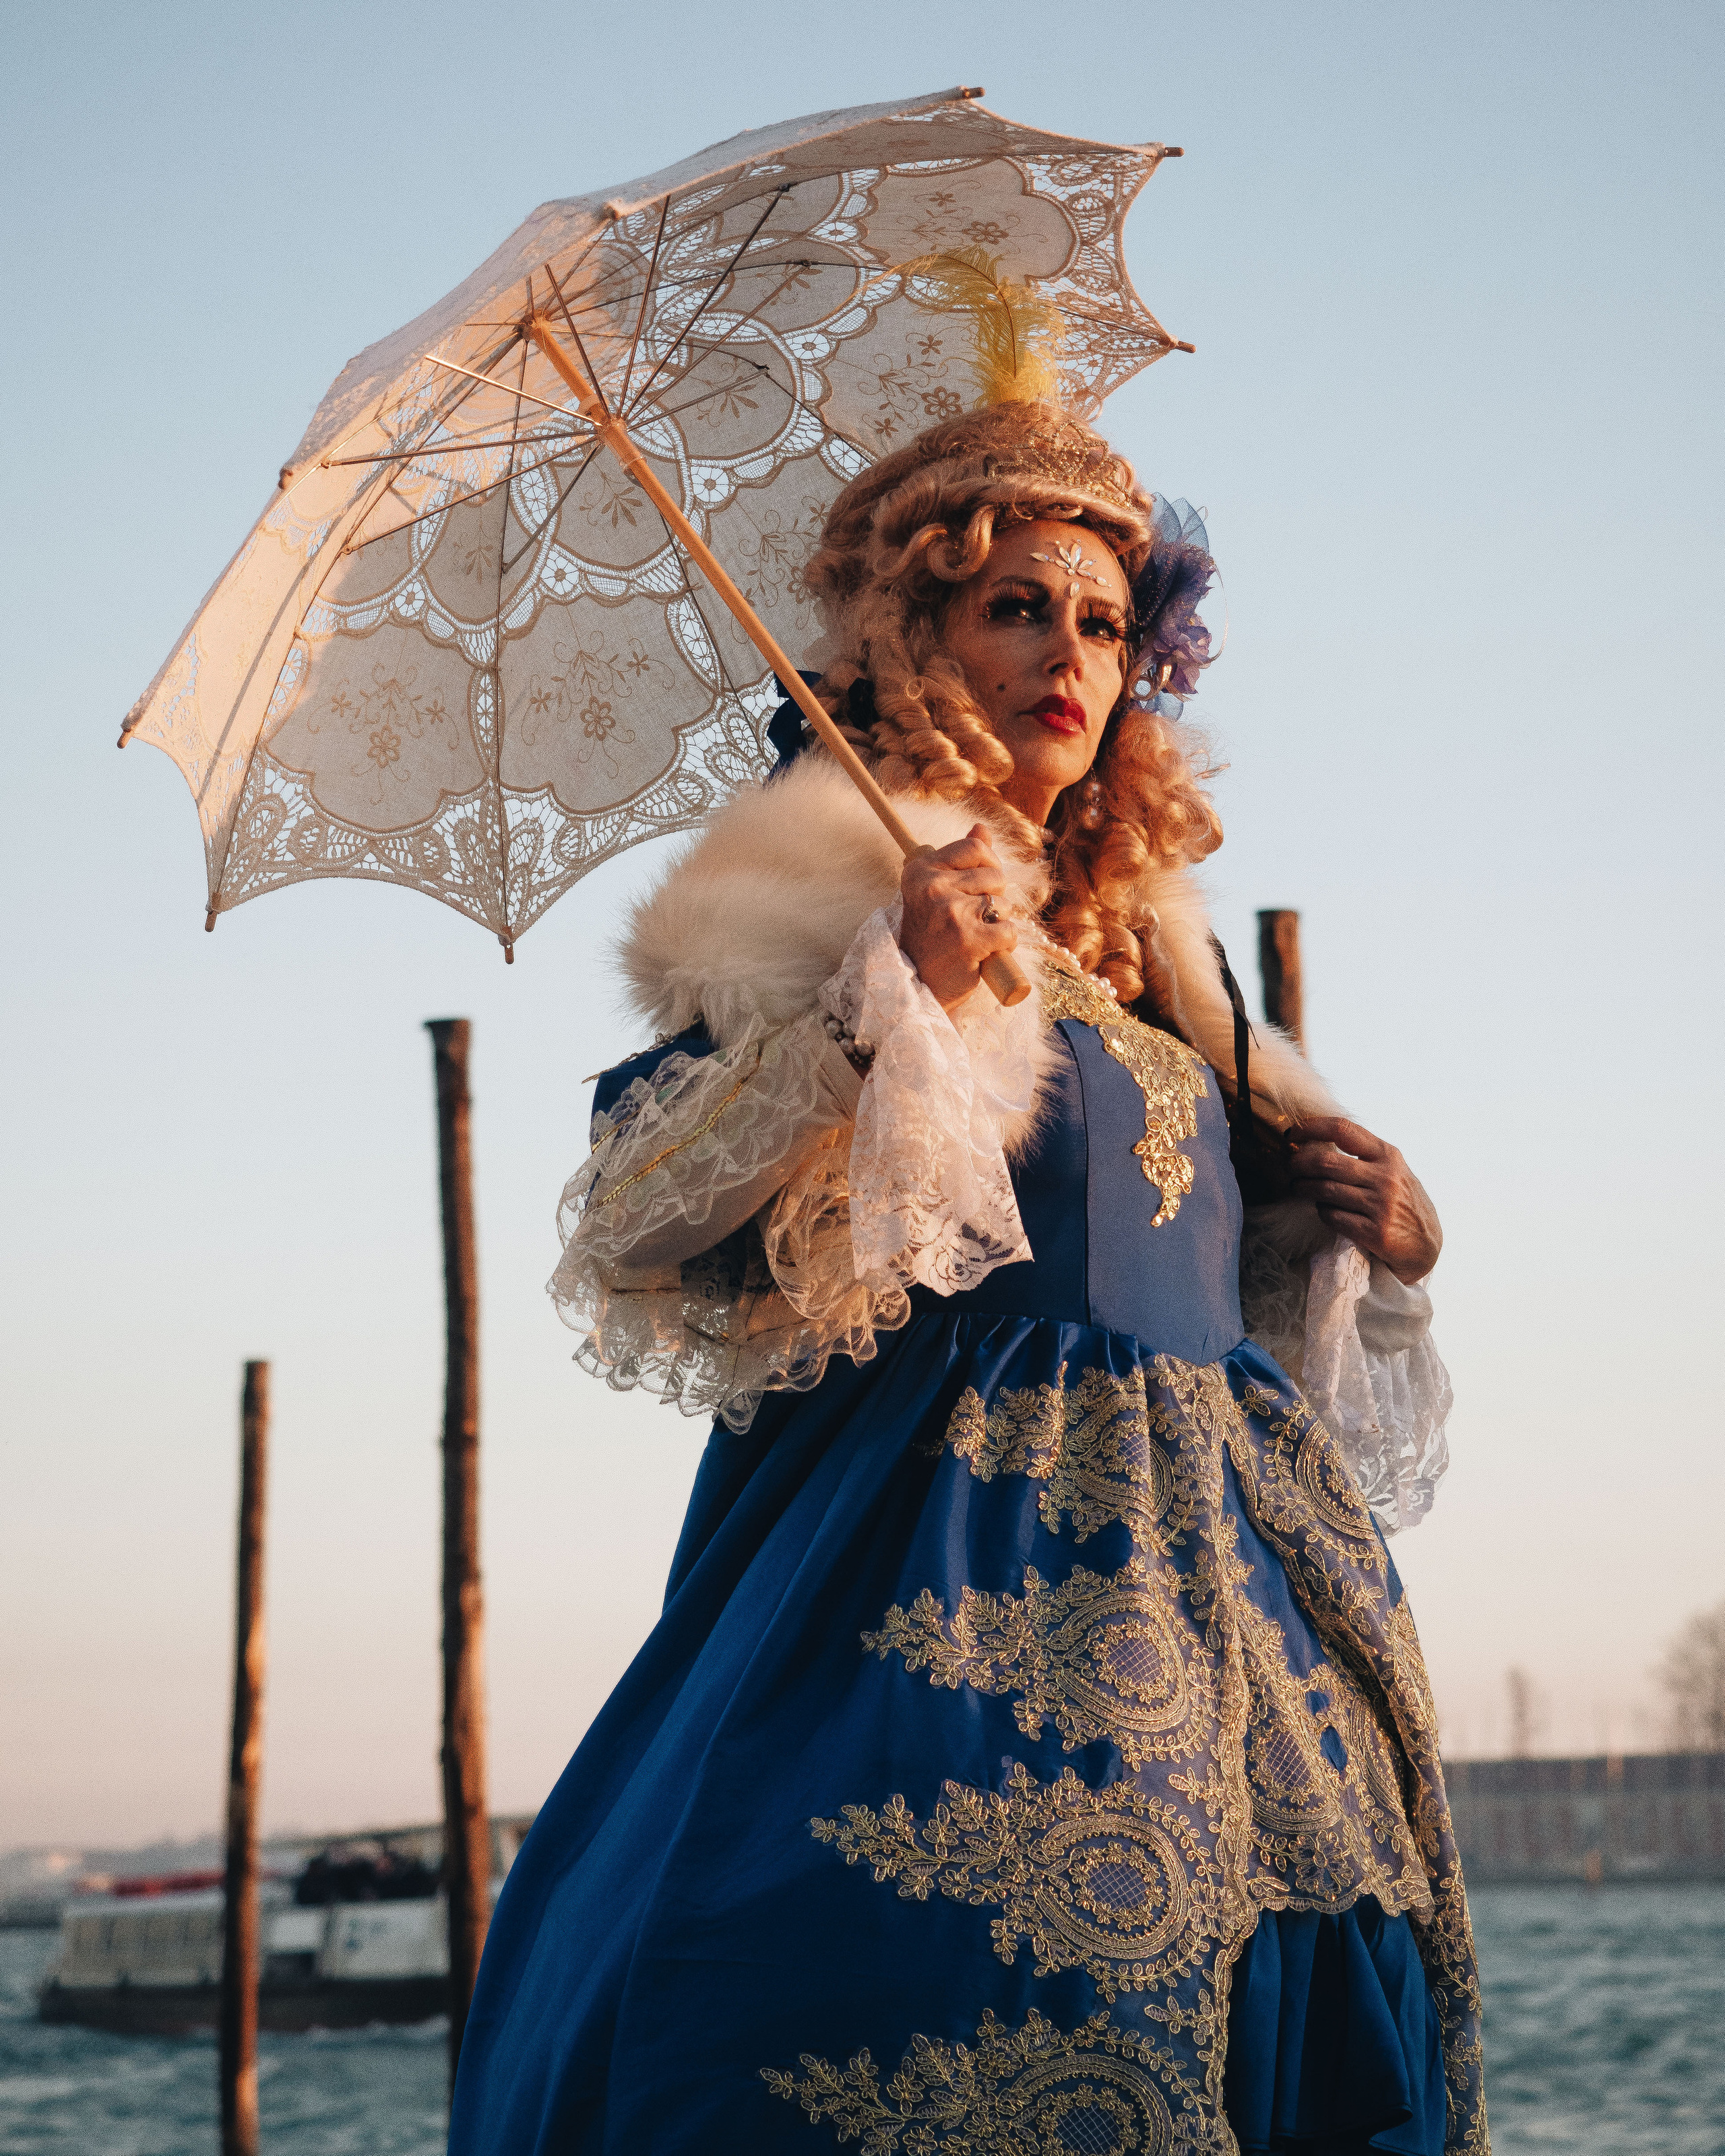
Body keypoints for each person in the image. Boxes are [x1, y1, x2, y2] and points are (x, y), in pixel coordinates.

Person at [448, 400, 1484, 2155]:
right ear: (914, 637)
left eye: (1105, 621)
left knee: (1296, 2002)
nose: (1072, 655)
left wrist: (1367, 1221)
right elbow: (643, 1209)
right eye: (1018, 607)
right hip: (940, 1547)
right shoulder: (819, 891)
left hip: (1238, 1571)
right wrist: (885, 1004)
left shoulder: (1167, 964)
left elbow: (1198, 1242)